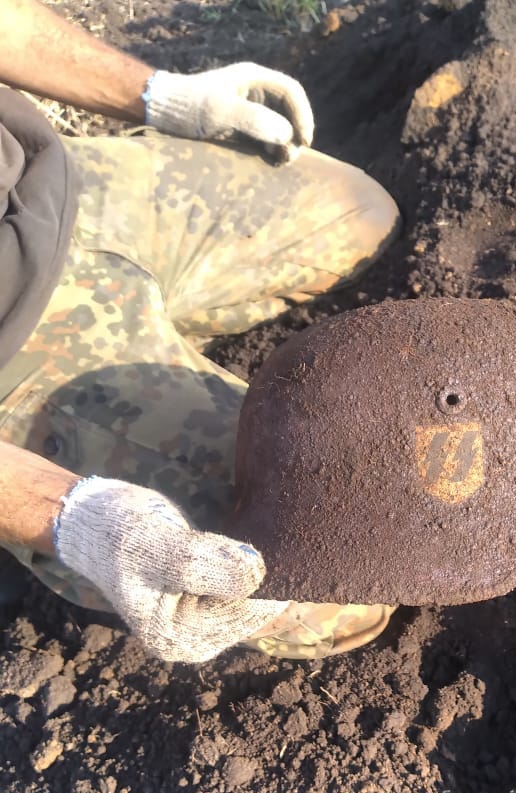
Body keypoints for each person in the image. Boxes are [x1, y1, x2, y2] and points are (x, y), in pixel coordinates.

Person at [0, 0, 400, 663]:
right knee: (331, 573)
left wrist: (163, 96)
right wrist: (77, 519)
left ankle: (152, 330)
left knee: (360, 214)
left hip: (50, 193)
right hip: (14, 351)